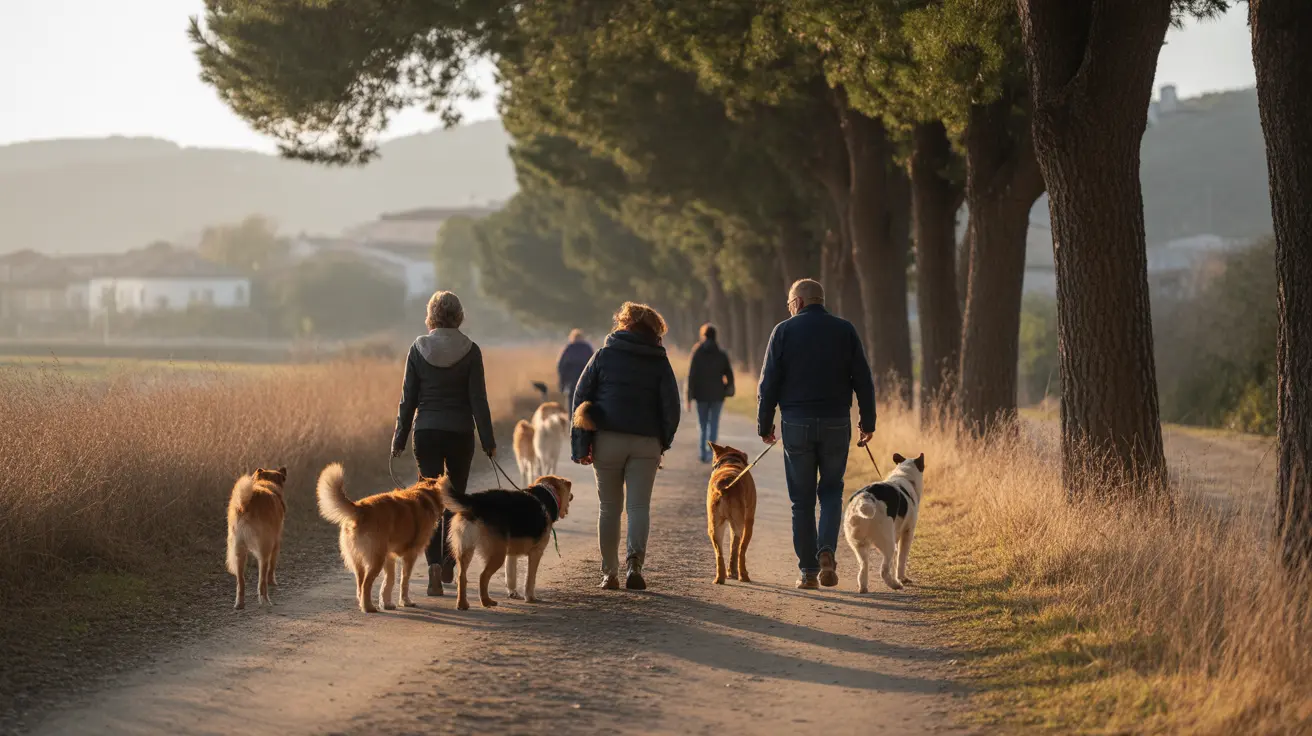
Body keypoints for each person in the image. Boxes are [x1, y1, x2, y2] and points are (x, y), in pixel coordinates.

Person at [757, 279, 876, 590]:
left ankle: (808, 571)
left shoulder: (783, 331)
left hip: (796, 423)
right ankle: (826, 549)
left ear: (797, 302)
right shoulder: (845, 330)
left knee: (802, 500)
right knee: (832, 492)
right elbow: (863, 379)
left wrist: (764, 424)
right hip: (837, 421)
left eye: (789, 304)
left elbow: (768, 382)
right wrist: (868, 422)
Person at [391, 290, 496, 597]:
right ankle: (450, 560)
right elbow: (479, 400)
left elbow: (407, 400)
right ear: (459, 316)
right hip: (460, 433)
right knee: (455, 499)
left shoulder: (418, 348)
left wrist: (398, 439)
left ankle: (434, 568)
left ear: (431, 315)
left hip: (426, 432)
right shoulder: (471, 350)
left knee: (428, 502)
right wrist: (488, 441)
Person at [571, 302, 680, 591]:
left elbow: (580, 398)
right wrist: (663, 442)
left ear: (623, 324)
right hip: (647, 442)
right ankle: (635, 565)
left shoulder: (603, 355)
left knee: (609, 508)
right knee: (638, 506)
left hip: (607, 439)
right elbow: (672, 407)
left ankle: (609, 573)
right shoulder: (659, 360)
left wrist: (581, 445)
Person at [686, 322, 735, 464]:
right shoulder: (721, 353)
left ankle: (703, 453)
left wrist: (689, 395)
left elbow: (691, 375)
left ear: (703, 335)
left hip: (700, 394)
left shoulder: (697, 352)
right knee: (713, 424)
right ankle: (713, 453)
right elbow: (729, 374)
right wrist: (727, 389)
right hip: (717, 395)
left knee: (702, 424)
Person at [557, 329, 594, 407]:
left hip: (572, 381)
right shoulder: (587, 348)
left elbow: (561, 366)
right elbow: (594, 364)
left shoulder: (569, 348)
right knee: (585, 402)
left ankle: (572, 418)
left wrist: (562, 383)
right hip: (585, 379)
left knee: (572, 402)